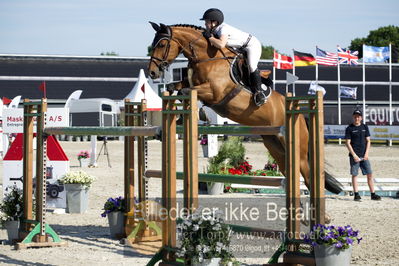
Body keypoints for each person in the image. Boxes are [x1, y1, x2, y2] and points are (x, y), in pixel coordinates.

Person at [200, 8, 267, 106]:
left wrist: (210, 37)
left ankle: (259, 93)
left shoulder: (223, 29)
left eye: (207, 22)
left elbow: (221, 44)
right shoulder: (214, 29)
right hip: (239, 48)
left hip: (251, 45)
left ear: (214, 22)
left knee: (252, 66)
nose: (205, 24)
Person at [345, 109, 381, 201]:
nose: (357, 118)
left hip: (364, 156)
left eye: (358, 116)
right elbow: (347, 143)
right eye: (355, 116)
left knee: (369, 174)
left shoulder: (365, 127)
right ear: (353, 117)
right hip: (354, 156)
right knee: (355, 175)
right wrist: (354, 155)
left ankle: (373, 194)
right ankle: (356, 194)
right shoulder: (349, 128)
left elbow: (368, 141)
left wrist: (367, 154)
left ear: (361, 118)